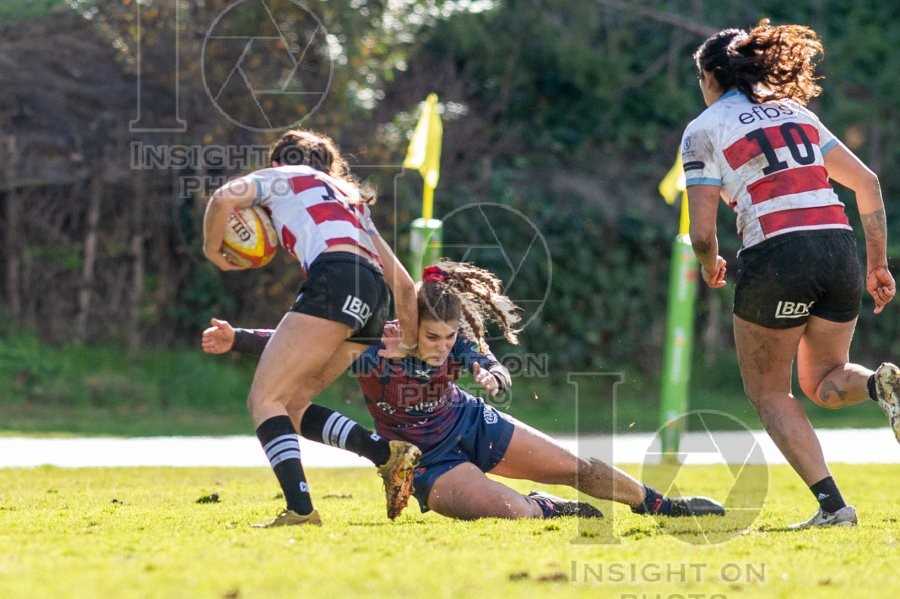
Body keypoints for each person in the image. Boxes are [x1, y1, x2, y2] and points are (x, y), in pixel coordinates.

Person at [203, 261, 726, 521]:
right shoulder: (372, 344)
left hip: (475, 424)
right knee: (517, 515)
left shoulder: (457, 344)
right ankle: (548, 508)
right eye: (432, 337)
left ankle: (660, 507)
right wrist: (236, 340)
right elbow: (292, 344)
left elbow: (486, 360)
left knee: (580, 468)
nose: (442, 346)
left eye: (450, 337)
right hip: (429, 463)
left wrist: (493, 373)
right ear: (408, 326)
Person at [682, 20, 900, 529]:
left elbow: (700, 230)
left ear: (710, 77)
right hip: (838, 247)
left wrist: (708, 260)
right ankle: (880, 388)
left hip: (778, 254)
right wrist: (877, 263)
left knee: (770, 392)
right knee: (823, 381)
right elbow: (866, 183)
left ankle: (833, 506)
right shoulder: (795, 112)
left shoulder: (704, 128)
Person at [203, 129, 422, 527]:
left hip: (335, 277)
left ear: (278, 161)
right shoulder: (350, 201)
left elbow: (222, 199)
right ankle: (385, 455)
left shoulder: (281, 176)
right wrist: (406, 343)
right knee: (292, 404)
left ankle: (301, 511)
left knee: (264, 399)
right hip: (374, 294)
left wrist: (212, 250)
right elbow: (405, 285)